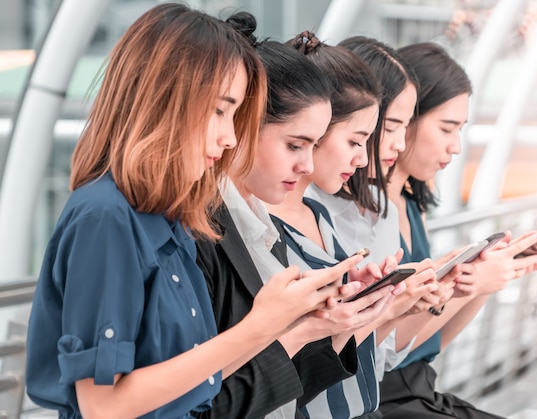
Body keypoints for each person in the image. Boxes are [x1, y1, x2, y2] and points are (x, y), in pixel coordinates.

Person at [24, 5, 357, 418]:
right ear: (165, 99)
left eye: (234, 115)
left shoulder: (173, 220)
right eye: (220, 110)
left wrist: (304, 325)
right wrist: (260, 325)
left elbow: (200, 377)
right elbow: (103, 405)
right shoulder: (105, 218)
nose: (231, 136)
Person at [194, 16, 373, 419]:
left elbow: (279, 388)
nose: (306, 164)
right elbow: (206, 403)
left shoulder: (259, 226)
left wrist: (337, 325)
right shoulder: (199, 232)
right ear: (243, 125)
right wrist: (304, 331)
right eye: (295, 145)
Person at [378, 41, 537, 419]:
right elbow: (385, 351)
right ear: (402, 118)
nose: (456, 147)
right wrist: (473, 282)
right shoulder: (365, 213)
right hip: (381, 401)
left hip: (414, 391)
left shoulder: (411, 205)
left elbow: (425, 345)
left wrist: (483, 284)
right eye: (447, 128)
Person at [269, 33, 439, 419]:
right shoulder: (264, 230)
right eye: (356, 140)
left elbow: (344, 351)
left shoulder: (319, 217)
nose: (364, 158)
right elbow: (278, 371)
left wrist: (383, 306)